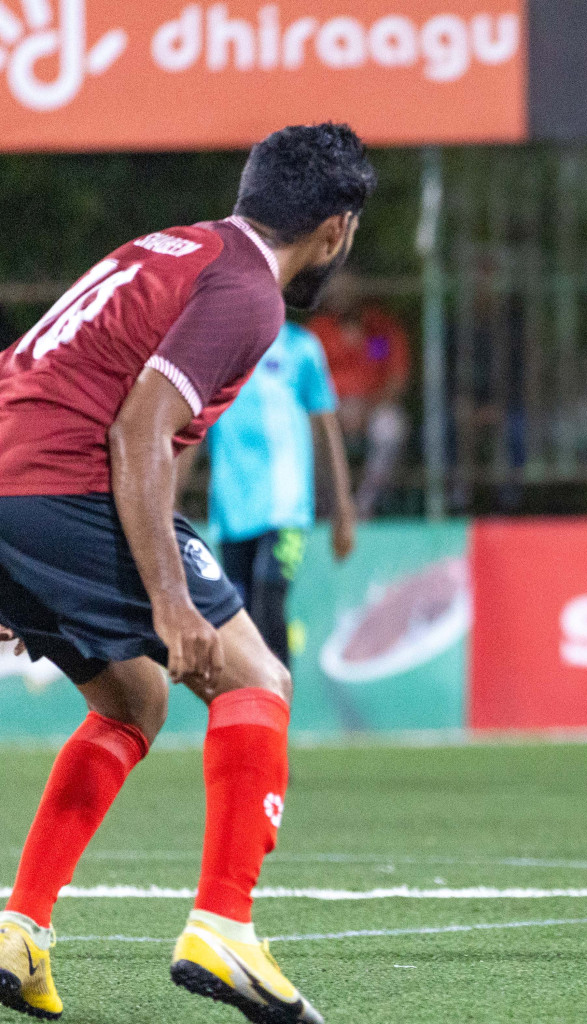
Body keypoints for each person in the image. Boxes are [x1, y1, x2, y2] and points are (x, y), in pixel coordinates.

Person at [0, 123, 375, 1023]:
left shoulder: (178, 247)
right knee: (256, 674)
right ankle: (225, 928)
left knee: (134, 702)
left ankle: (17, 931)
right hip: (65, 484)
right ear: (335, 228)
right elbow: (137, 432)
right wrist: (171, 603)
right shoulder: (248, 293)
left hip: (18, 482)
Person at [200, 321, 358, 664]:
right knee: (238, 618)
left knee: (269, 596)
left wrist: (343, 510)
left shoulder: (301, 348)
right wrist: (166, 501)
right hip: (231, 511)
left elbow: (327, 432)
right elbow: (190, 430)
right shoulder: (215, 349)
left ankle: (276, 709)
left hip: (287, 508)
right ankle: (250, 707)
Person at [306, 275, 410, 517]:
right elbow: (310, 383)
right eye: (336, 288)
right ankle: (328, 509)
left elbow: (395, 377)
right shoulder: (319, 330)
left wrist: (369, 408)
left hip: (372, 408)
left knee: (390, 428)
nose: (342, 294)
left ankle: (363, 507)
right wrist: (333, 409)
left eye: (349, 287)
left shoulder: (380, 330)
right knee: (305, 432)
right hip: (330, 410)